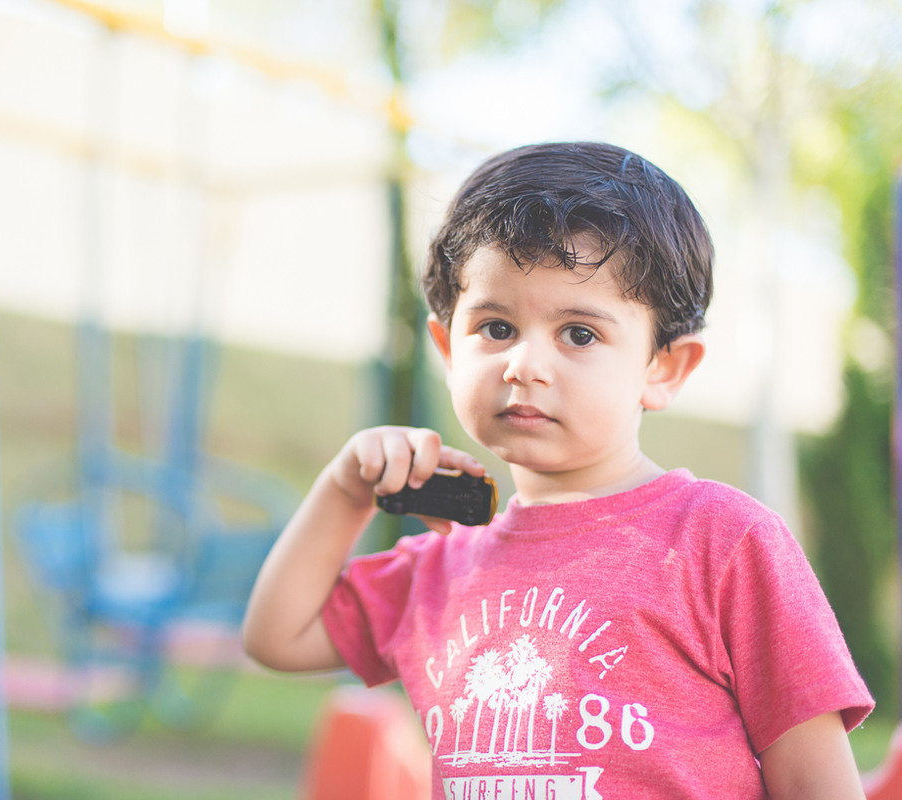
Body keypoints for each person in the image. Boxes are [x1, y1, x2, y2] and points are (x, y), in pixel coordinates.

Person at [242, 141, 874, 798]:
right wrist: (345, 492)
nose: (524, 365)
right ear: (447, 348)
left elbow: (818, 782)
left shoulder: (721, 539)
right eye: (494, 327)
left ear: (664, 368)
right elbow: (278, 637)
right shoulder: (442, 565)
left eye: (578, 334)